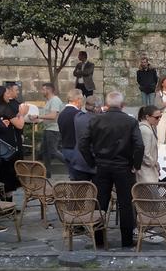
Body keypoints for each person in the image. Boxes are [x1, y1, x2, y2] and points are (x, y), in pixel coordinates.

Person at [79, 91, 144, 248]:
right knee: (126, 203)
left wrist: (92, 162)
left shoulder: (96, 120)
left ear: (106, 105)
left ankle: (99, 239)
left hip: (102, 165)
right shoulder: (130, 122)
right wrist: (136, 165)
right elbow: (139, 145)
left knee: (100, 202)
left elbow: (83, 143)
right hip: (124, 166)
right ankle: (127, 241)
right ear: (122, 105)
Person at [0, 85, 28, 200]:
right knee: (8, 173)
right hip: (8, 145)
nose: (9, 95)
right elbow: (19, 124)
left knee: (2, 173)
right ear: (2, 95)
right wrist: (22, 114)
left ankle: (4, 200)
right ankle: (8, 202)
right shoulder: (5, 108)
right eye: (7, 93)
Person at [35, 83, 65, 178]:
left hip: (53, 130)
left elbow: (52, 116)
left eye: (43, 89)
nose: (42, 91)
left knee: (53, 151)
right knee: (45, 152)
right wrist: (37, 120)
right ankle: (47, 173)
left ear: (48, 90)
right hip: (48, 129)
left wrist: (38, 116)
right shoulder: (49, 101)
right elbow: (47, 117)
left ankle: (72, 164)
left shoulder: (55, 100)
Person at [57, 89, 86, 180]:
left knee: (72, 177)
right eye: (81, 100)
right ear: (77, 99)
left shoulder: (62, 114)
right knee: (80, 180)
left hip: (65, 149)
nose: (82, 102)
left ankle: (73, 193)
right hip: (76, 150)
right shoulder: (78, 114)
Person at [68, 96, 99, 182]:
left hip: (79, 161)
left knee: (81, 192)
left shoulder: (78, 117)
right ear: (96, 108)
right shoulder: (99, 120)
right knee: (98, 193)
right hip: (94, 161)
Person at [136, 105, 161, 183]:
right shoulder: (145, 130)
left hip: (148, 170)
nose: (159, 119)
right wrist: (155, 164)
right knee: (149, 195)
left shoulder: (149, 127)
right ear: (147, 117)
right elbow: (145, 154)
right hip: (146, 172)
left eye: (160, 116)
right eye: (157, 117)